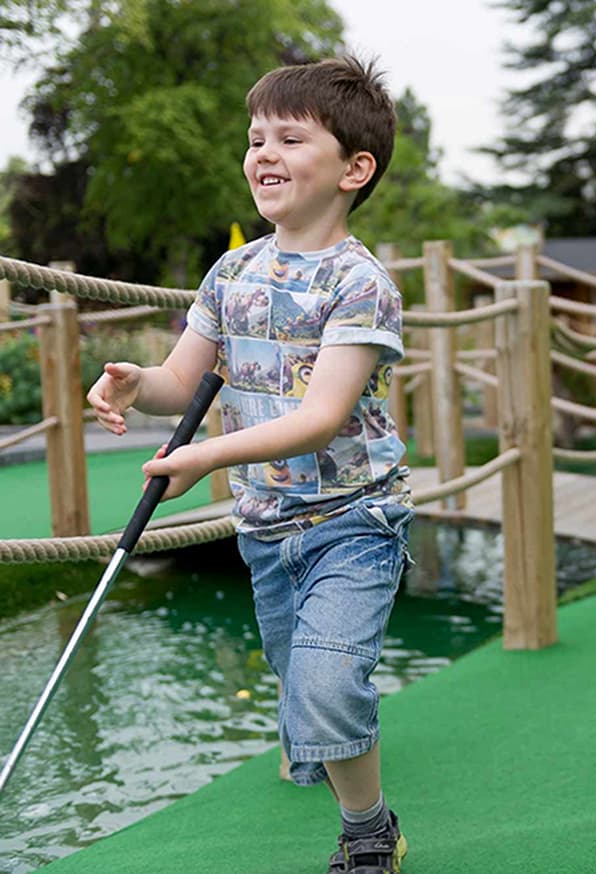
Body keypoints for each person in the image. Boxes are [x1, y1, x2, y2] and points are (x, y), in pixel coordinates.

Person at [87, 55, 413, 873]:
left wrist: (202, 456)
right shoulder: (232, 272)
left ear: (354, 169)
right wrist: (139, 382)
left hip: (353, 520)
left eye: (290, 137)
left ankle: (369, 831)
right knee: (300, 687)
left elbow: (320, 418)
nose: (263, 151)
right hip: (265, 526)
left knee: (326, 686)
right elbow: (182, 379)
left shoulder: (361, 285)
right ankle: (350, 795)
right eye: (255, 136)